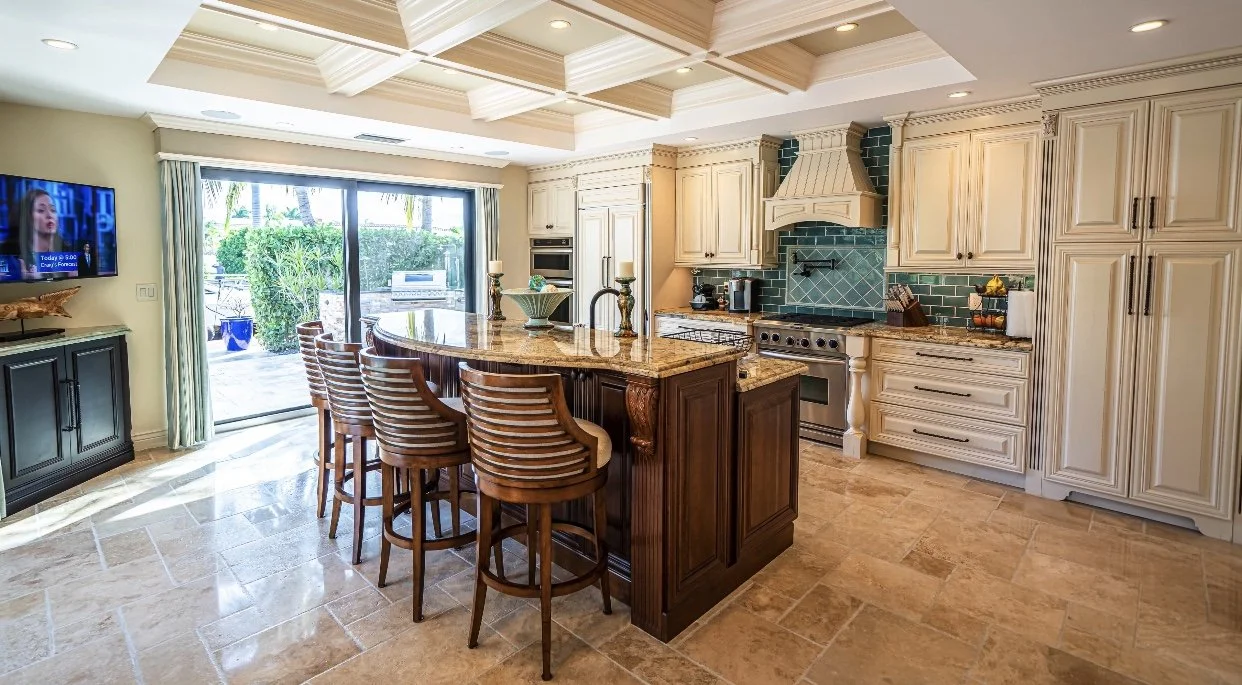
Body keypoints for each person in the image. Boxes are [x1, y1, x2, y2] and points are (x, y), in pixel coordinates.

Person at [1, 188, 78, 278]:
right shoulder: (12, 261)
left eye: (53, 210)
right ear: (28, 217)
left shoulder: (66, 256)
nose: (49, 215)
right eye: (41, 210)